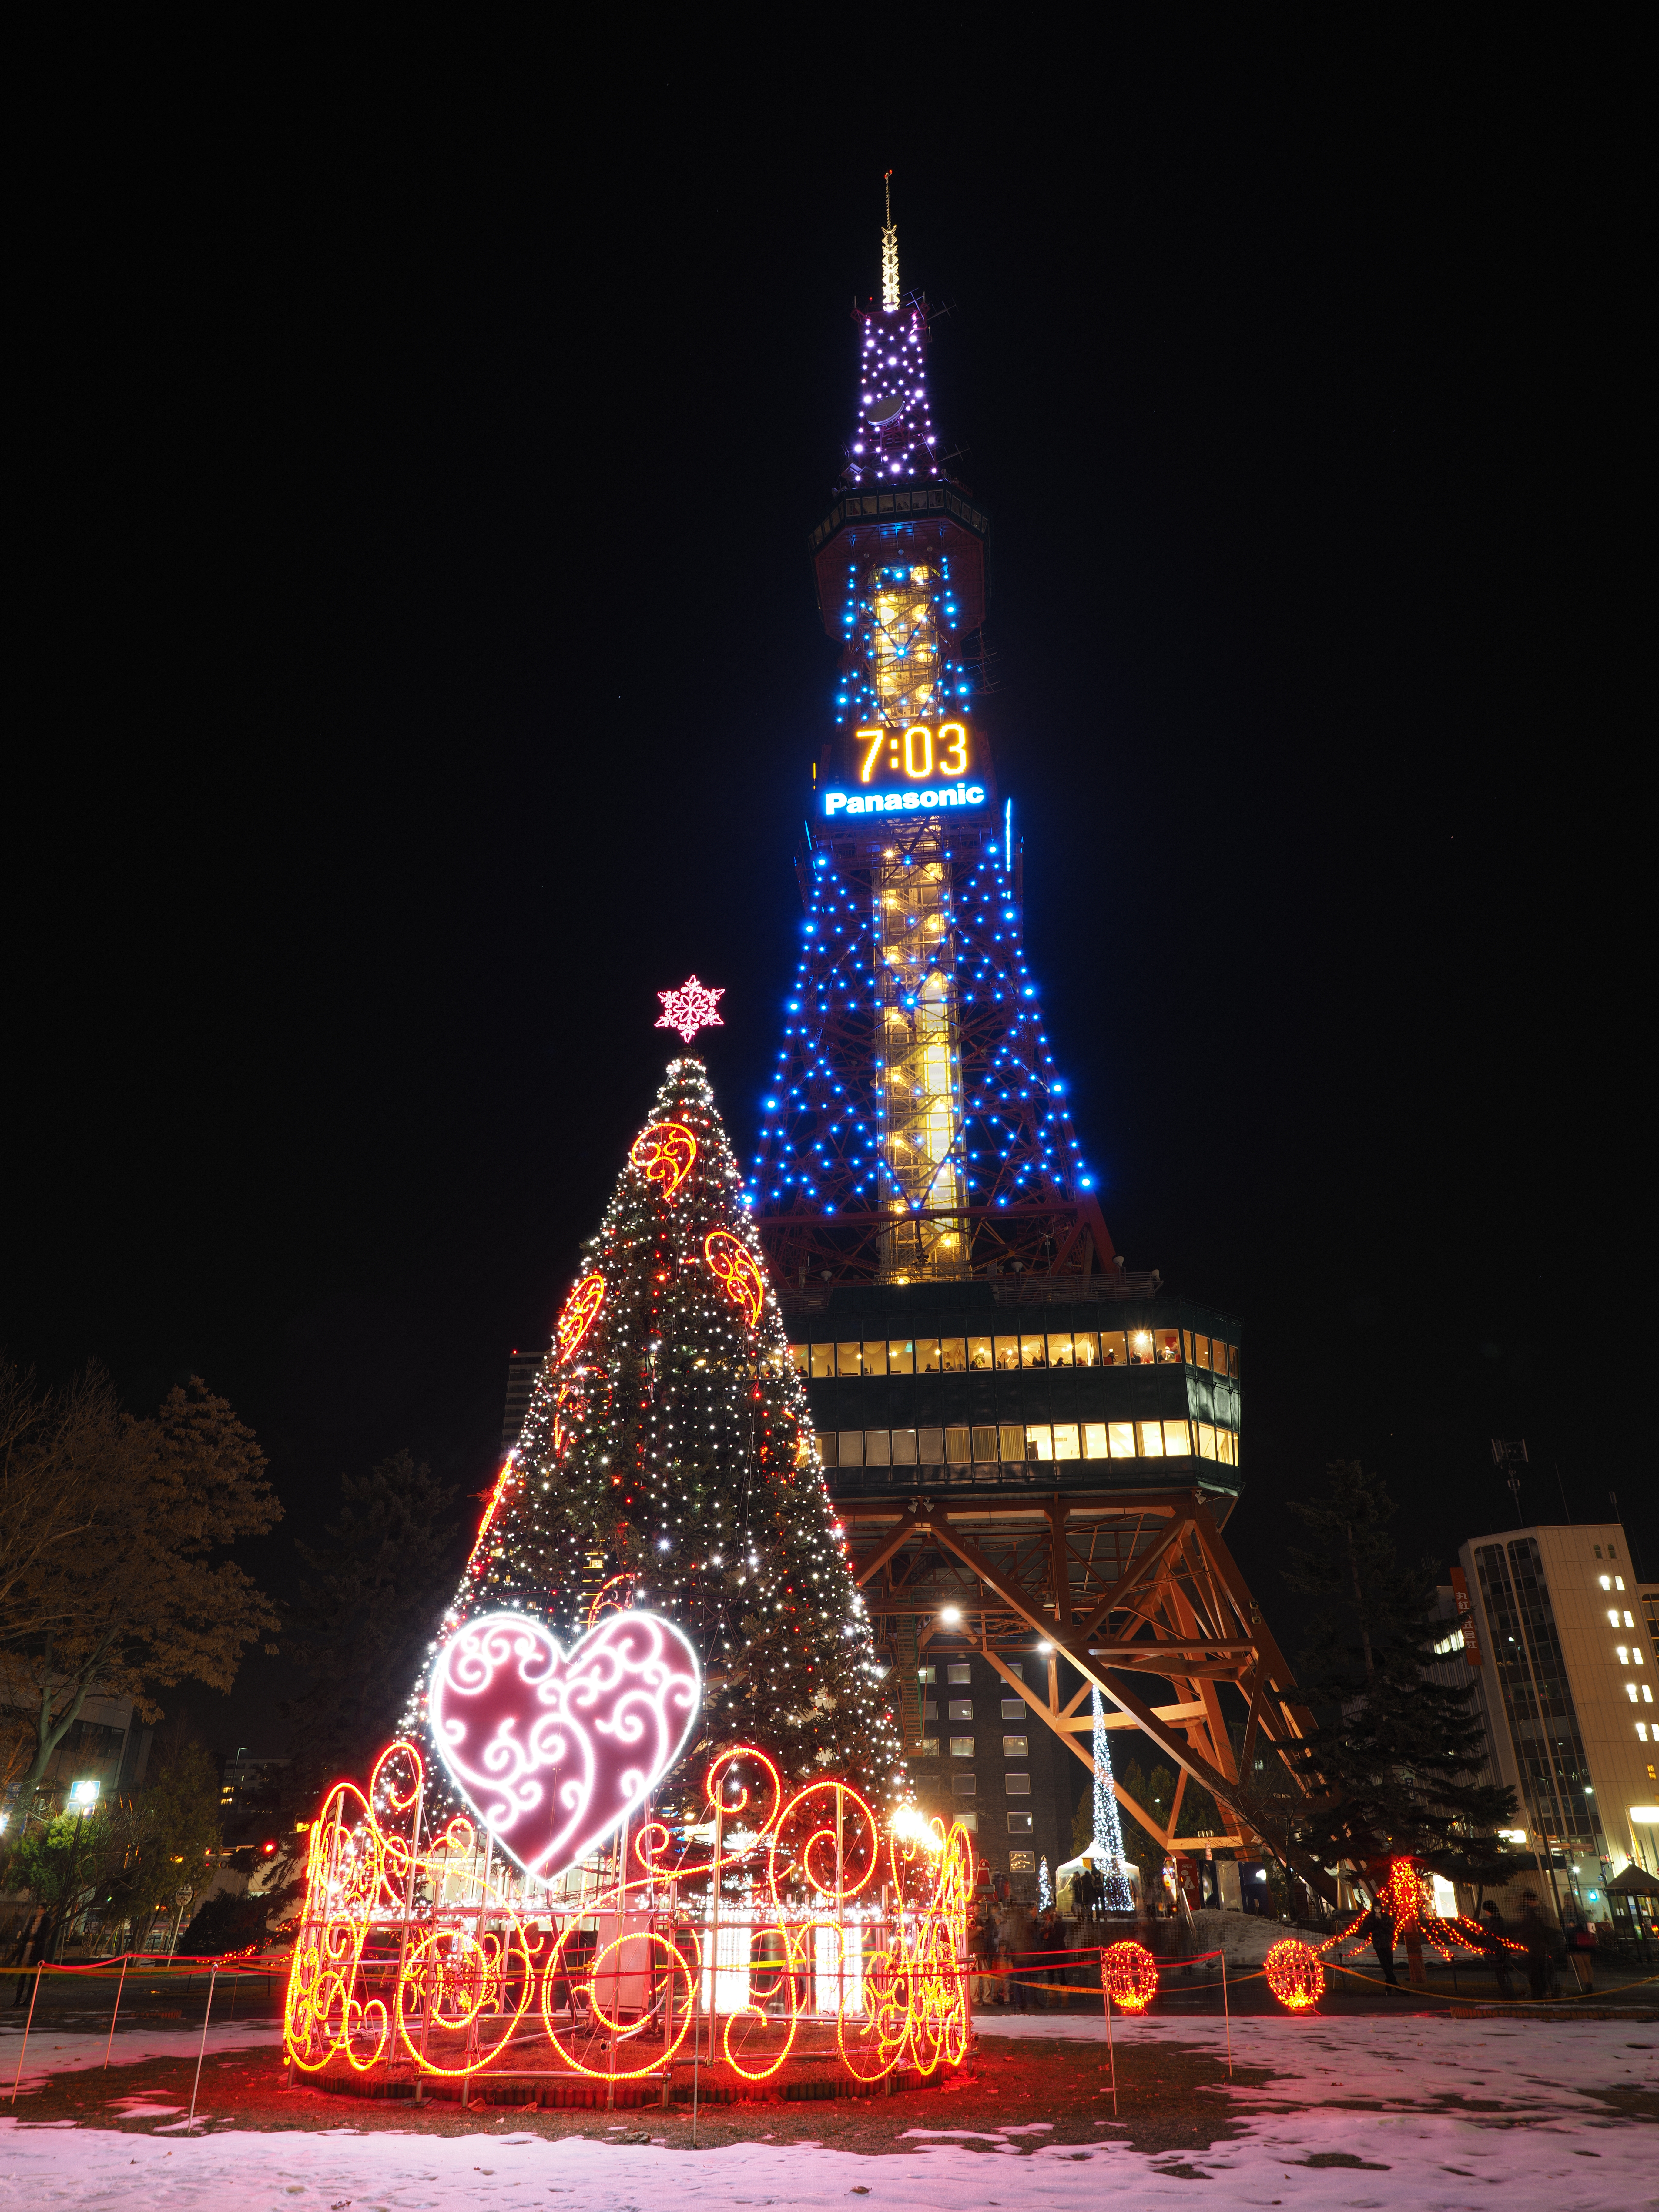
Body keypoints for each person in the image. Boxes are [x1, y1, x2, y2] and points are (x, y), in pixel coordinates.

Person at [1517, 1892, 1559, 2000]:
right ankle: (1549, 1992)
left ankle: (1541, 1994)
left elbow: (1532, 1930)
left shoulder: (1532, 1914)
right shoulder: (1541, 1912)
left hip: (1536, 1949)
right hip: (1540, 1948)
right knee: (1544, 1973)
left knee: (1538, 1974)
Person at [7, 1905, 52, 2007]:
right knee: (23, 1973)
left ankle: (28, 2000)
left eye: (41, 1909)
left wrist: (36, 1936)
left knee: (33, 1975)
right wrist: (27, 1936)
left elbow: (43, 1934)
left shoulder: (46, 1920)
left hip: (37, 1948)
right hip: (28, 1946)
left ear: (45, 1911)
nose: (38, 1910)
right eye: (38, 1908)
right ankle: (18, 1999)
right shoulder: (32, 1918)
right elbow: (28, 1930)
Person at [1475, 1900, 1515, 2001]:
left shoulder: (1497, 1921)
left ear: (1490, 1910)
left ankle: (1511, 2001)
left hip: (1500, 1955)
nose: (1486, 1913)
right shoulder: (1494, 1920)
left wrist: (1483, 1933)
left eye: (1486, 1910)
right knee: (1502, 1980)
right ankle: (1509, 2001)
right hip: (1498, 1954)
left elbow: (1496, 1937)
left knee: (1504, 1979)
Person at [1362, 1899, 1398, 1988]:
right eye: (1376, 1907)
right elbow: (1365, 1929)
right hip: (1378, 1945)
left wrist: (1383, 1925)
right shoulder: (1369, 1918)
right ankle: (1393, 1984)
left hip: (1387, 1944)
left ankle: (1389, 1986)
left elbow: (1392, 1930)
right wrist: (1374, 1924)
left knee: (1390, 1965)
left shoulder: (1386, 1917)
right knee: (1386, 1965)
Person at [1563, 1905, 1597, 1993]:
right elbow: (1590, 1928)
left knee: (1581, 1965)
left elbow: (1569, 1929)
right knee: (1587, 1964)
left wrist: (1570, 1927)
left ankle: (1587, 1986)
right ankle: (1590, 1986)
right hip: (1586, 1942)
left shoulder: (1568, 1914)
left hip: (1575, 1942)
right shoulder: (1585, 1915)